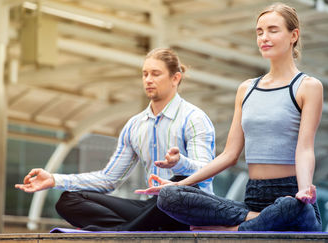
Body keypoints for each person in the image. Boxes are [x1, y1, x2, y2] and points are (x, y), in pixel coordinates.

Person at [136, 3, 323, 231]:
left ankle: (233, 231)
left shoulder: (308, 87)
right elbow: (229, 155)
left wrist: (304, 190)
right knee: (169, 196)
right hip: (252, 200)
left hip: (291, 196)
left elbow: (305, 149)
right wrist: (179, 184)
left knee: (290, 207)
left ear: (294, 35)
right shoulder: (247, 89)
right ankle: (255, 222)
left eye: (273, 30)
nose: (264, 37)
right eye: (259, 32)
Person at [15, 48, 216, 231]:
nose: (148, 80)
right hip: (149, 209)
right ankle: (129, 232)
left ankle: (120, 233)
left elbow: (206, 173)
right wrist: (54, 179)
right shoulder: (135, 126)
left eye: (156, 74)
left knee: (177, 188)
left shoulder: (194, 119)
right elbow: (109, 180)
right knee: (69, 200)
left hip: (187, 208)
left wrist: (180, 163)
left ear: (175, 78)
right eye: (145, 74)